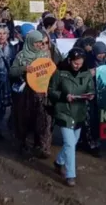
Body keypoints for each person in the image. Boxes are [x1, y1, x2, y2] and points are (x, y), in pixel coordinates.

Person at [49, 48, 95, 186]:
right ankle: (70, 175)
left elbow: (90, 89)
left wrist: (90, 95)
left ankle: (59, 162)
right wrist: (64, 96)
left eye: (80, 63)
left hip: (79, 111)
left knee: (73, 141)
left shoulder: (86, 74)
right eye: (75, 63)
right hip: (64, 111)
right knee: (69, 143)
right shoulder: (59, 73)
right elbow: (51, 90)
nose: (78, 66)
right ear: (70, 60)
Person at [10, 30, 53, 158]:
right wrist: (24, 69)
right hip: (25, 93)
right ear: (30, 43)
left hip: (41, 93)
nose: (40, 45)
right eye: (37, 43)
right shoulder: (21, 56)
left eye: (41, 43)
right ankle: (23, 144)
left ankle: (41, 146)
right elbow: (12, 71)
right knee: (24, 119)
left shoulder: (45, 55)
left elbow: (50, 71)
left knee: (42, 119)